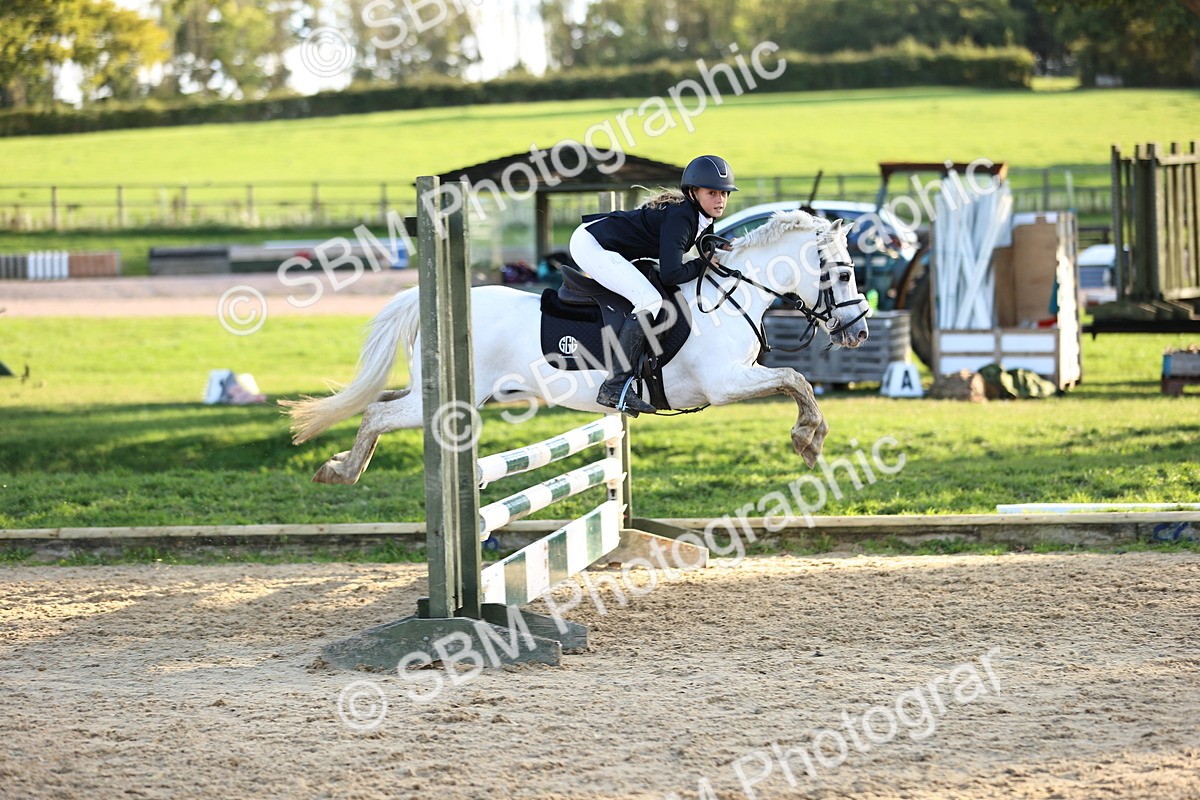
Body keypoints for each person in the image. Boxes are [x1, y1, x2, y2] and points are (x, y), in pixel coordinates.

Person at [569, 154, 737, 414]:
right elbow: (672, 274)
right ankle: (613, 386)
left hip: (609, 244)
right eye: (712, 193)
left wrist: (715, 245)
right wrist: (704, 264)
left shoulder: (699, 215)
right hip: (592, 244)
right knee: (650, 300)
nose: (720, 200)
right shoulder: (682, 217)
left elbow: (698, 243)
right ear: (693, 192)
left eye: (724, 194)